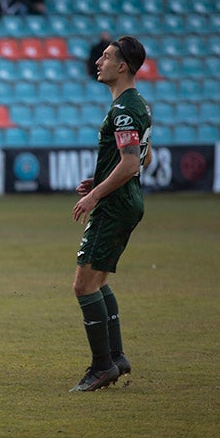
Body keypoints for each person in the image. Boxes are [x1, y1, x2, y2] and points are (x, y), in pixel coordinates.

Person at [69, 35, 152, 392]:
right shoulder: (138, 104)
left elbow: (132, 163)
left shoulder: (122, 111)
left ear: (122, 67)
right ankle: (116, 357)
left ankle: (101, 366)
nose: (97, 62)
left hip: (115, 204)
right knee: (99, 281)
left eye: (105, 57)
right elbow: (144, 157)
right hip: (127, 199)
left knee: (83, 284)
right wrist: (101, 178)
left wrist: (96, 195)